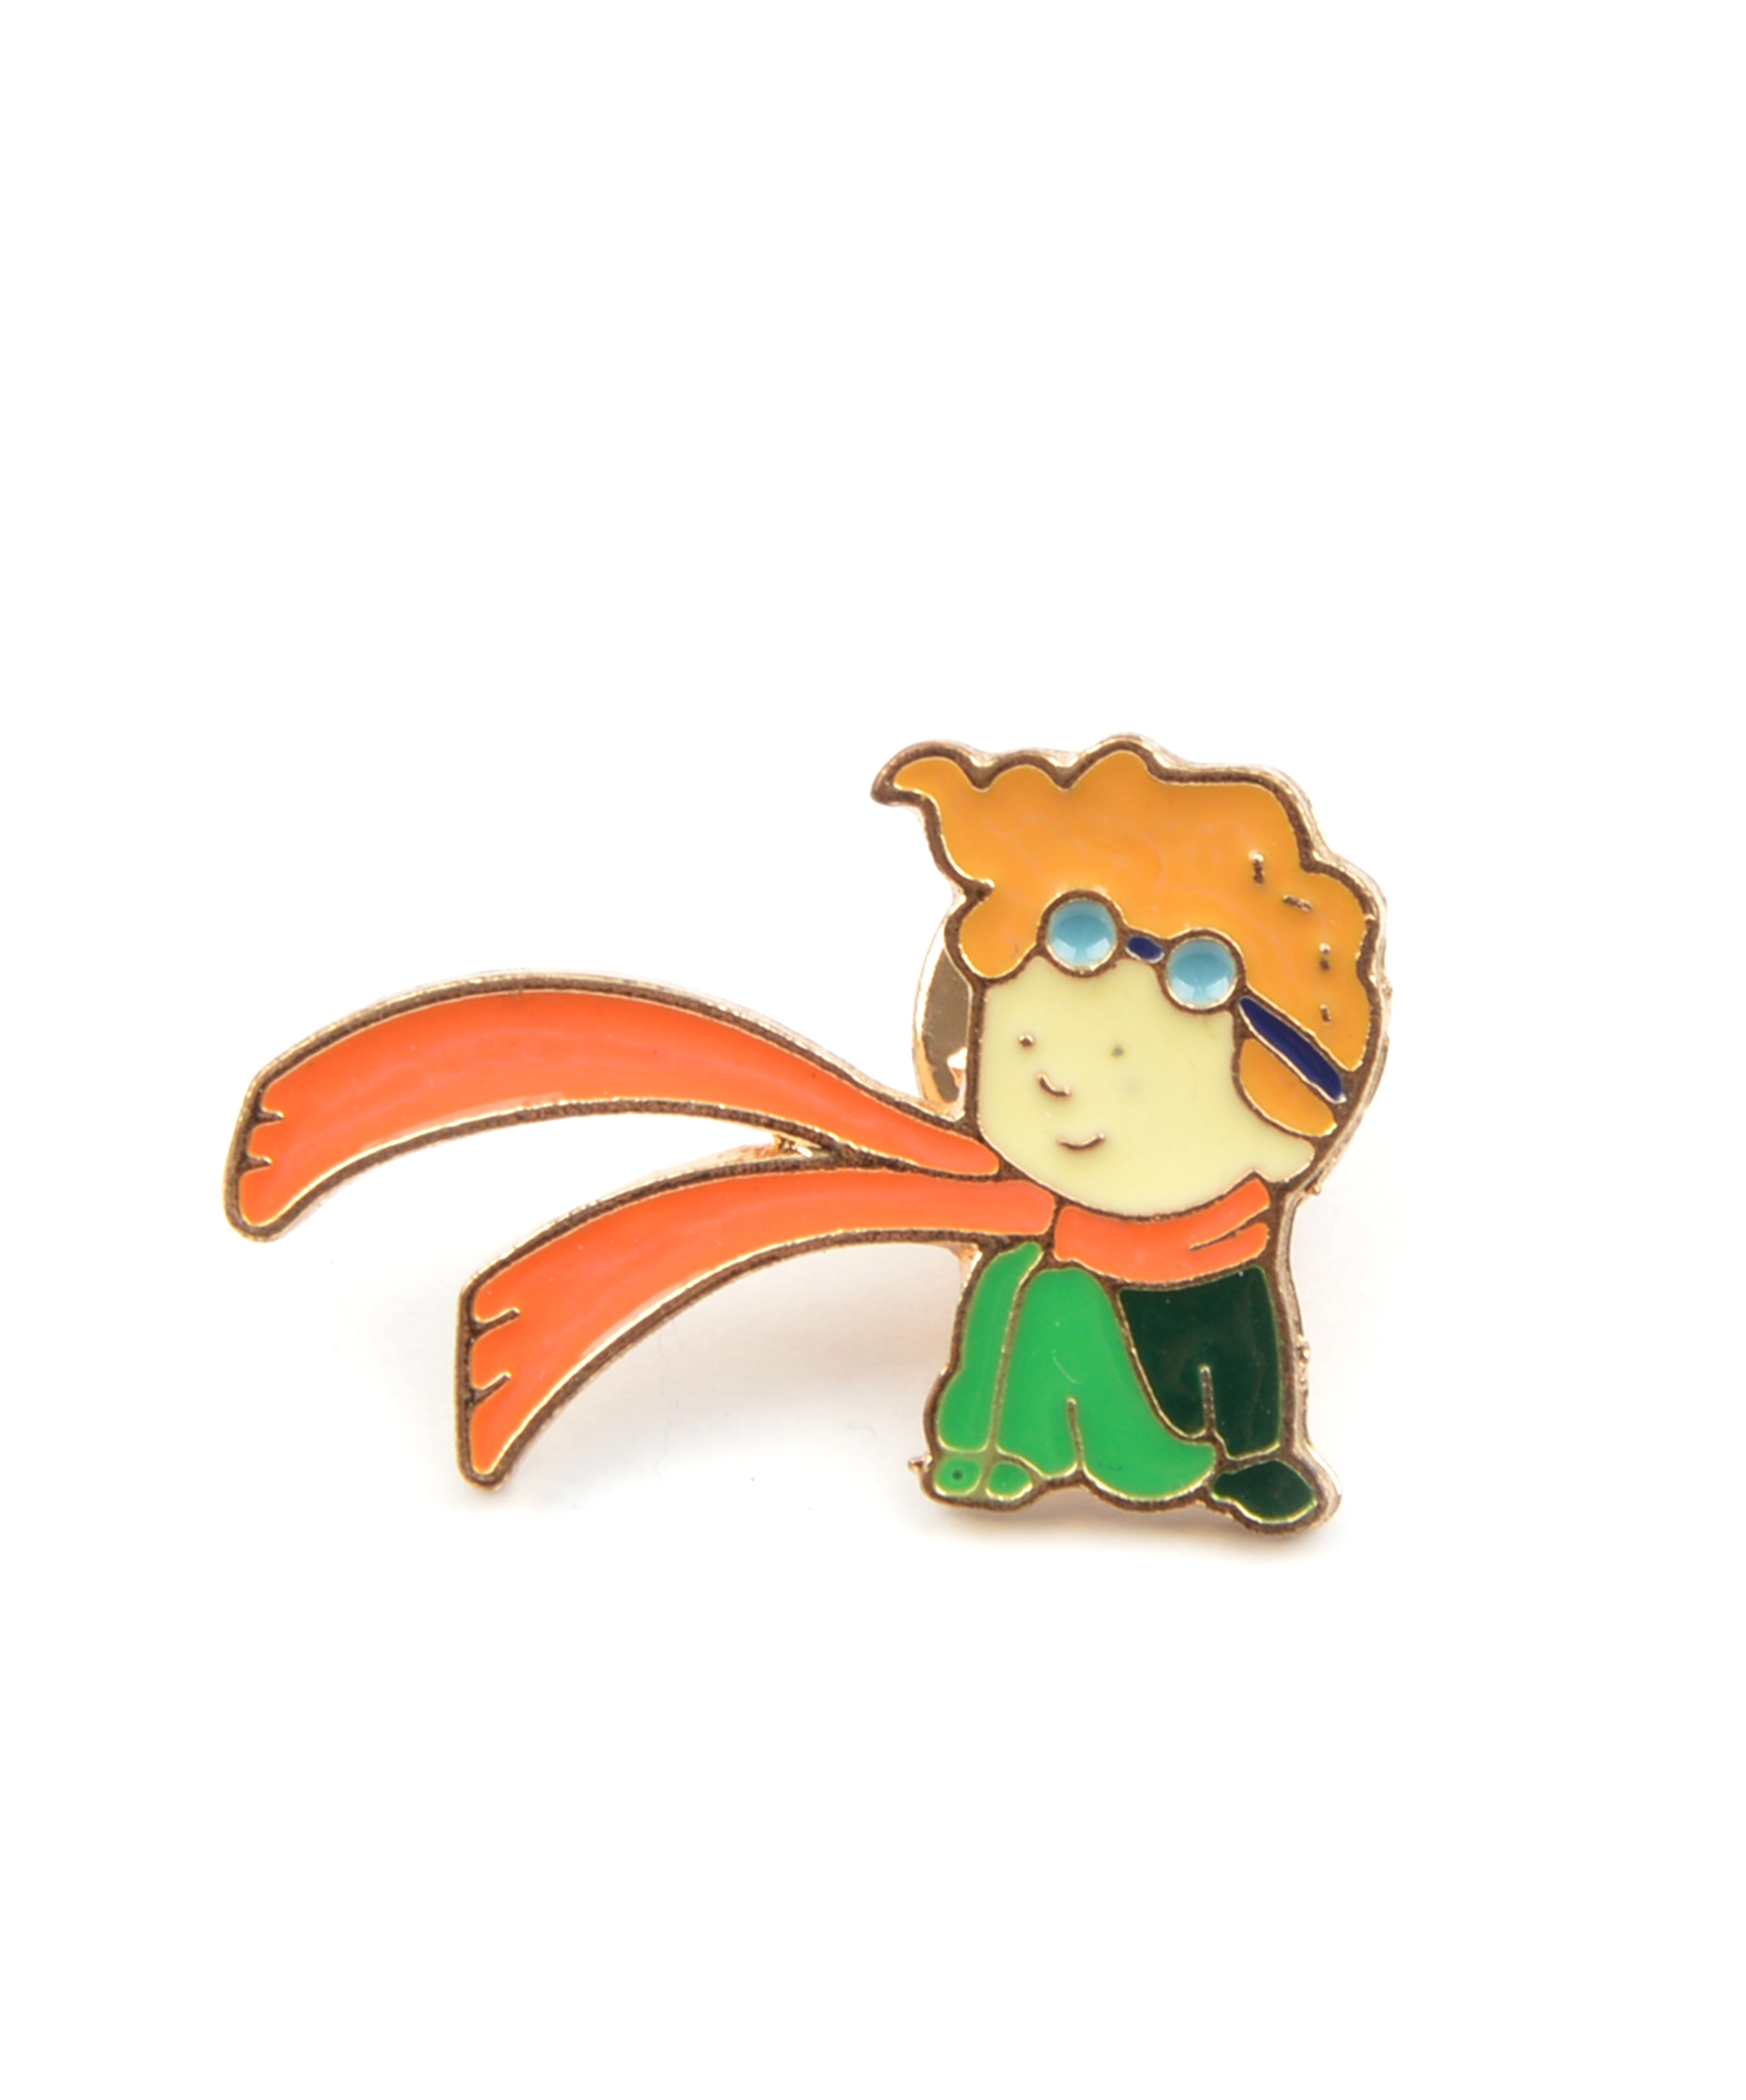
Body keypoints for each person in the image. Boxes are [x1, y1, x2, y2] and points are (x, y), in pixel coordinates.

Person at [226, 736, 1385, 1531]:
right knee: (1038, 1298)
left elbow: (1241, 1347)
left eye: (1127, 1070)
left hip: (1177, 1400)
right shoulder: (1030, 1263)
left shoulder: (1218, 1230)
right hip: (1062, 1370)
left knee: (1056, 1297)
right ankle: (1009, 1447)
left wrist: (1256, 1456)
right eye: (1029, 1050)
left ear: (1286, 1122)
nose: (1065, 1089)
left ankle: (1182, 1457)